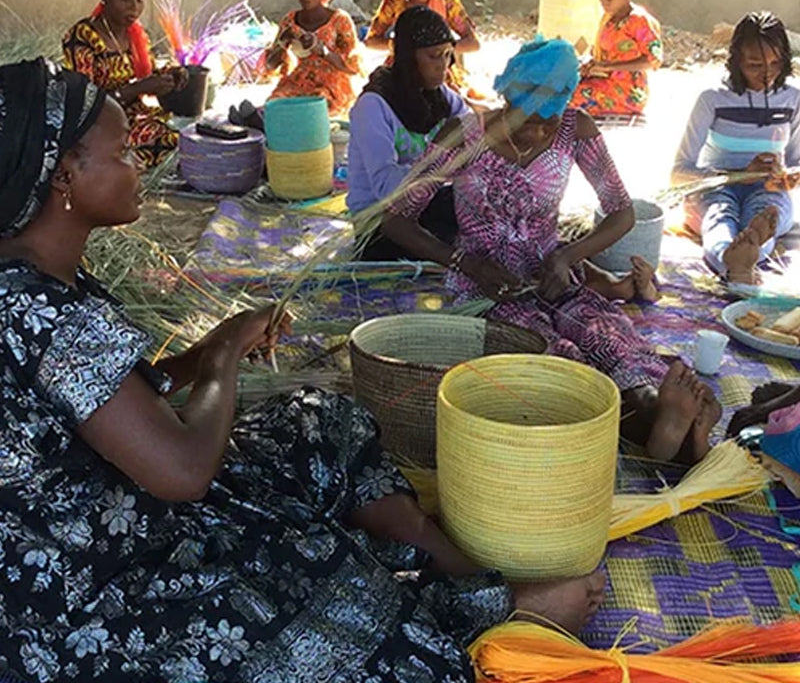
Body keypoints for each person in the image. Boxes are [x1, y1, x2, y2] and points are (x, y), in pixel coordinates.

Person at [0, 58, 606, 682]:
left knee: (319, 424)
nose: (140, 167)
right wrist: (223, 355)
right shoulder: (37, 309)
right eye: (124, 151)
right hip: (86, 589)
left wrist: (205, 351)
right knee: (321, 592)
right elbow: (182, 473)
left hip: (114, 505)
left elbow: (107, 396)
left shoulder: (35, 283)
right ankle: (502, 615)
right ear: (64, 173)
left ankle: (463, 579)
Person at [382, 37, 721, 463]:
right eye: (528, 117)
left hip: (556, 279)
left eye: (550, 117)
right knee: (558, 359)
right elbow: (394, 218)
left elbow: (621, 211)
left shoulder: (574, 130)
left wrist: (567, 257)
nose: (540, 130)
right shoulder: (465, 137)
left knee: (608, 339)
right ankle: (662, 435)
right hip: (485, 290)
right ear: (508, 98)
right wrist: (466, 263)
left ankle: (658, 409)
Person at [671, 11, 800, 284]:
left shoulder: (793, 100)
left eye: (776, 63)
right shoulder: (712, 100)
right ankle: (733, 260)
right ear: (736, 61)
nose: (768, 74)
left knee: (766, 219)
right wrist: (735, 174)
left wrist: (784, 176)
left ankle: (744, 259)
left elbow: (797, 164)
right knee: (719, 219)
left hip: (768, 189)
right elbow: (679, 173)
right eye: (755, 65)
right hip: (715, 188)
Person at [347, 5, 470, 260]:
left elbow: (472, 130)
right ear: (408, 57)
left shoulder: (441, 98)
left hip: (424, 204)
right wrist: (439, 153)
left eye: (447, 55)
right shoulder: (373, 105)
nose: (443, 67)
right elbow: (385, 188)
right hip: (379, 222)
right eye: (433, 56)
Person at [62, 0, 185, 169]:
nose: (134, 8)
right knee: (169, 141)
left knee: (188, 133)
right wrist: (137, 88)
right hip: (96, 126)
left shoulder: (137, 36)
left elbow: (149, 74)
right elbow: (85, 104)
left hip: (131, 115)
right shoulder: (82, 37)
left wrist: (172, 76)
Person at [234, 0, 360, 123]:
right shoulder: (290, 20)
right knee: (277, 101)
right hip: (300, 80)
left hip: (331, 86)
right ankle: (260, 119)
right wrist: (281, 44)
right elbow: (270, 66)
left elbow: (353, 67)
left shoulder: (339, 20)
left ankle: (261, 121)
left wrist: (322, 50)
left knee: (312, 108)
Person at [365, 0, 480, 94]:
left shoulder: (448, 4)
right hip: (403, 68)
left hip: (439, 71)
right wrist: (400, 46)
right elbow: (371, 41)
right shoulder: (395, 2)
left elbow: (473, 43)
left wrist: (440, 50)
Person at [570, 0, 662, 116]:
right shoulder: (608, 19)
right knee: (561, 88)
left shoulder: (638, 20)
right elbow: (599, 52)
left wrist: (610, 66)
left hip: (628, 91)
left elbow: (652, 61)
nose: (604, 4)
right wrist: (590, 64)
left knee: (571, 100)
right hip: (605, 81)